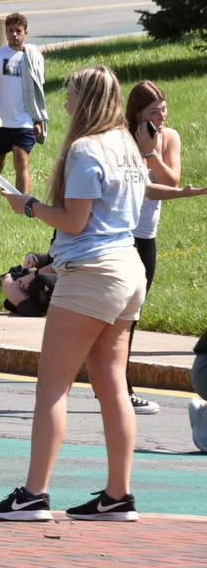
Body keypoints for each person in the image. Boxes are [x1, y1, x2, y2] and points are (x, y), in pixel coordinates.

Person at [0, 66, 207, 522]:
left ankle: (32, 496)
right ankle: (117, 496)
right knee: (111, 387)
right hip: (129, 270)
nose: (63, 104)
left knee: (52, 385)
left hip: (91, 273)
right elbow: (141, 191)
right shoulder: (127, 144)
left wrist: (25, 204)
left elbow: (73, 222)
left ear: (84, 101)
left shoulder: (86, 149)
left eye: (68, 95)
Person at [126, 80, 180, 414]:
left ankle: (113, 385)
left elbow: (171, 182)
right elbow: (143, 189)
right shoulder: (122, 137)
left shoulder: (169, 137)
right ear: (136, 114)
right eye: (153, 112)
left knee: (131, 314)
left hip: (146, 238)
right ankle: (121, 388)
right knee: (121, 319)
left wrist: (151, 152)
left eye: (163, 110)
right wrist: (143, 150)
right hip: (121, 236)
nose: (160, 117)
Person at [0, 12, 47, 206]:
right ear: (6, 32)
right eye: (10, 31)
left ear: (26, 33)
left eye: (18, 31)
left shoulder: (34, 58)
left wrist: (38, 120)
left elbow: (38, 92)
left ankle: (23, 205)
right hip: (0, 121)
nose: (14, 35)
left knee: (22, 161)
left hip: (24, 120)